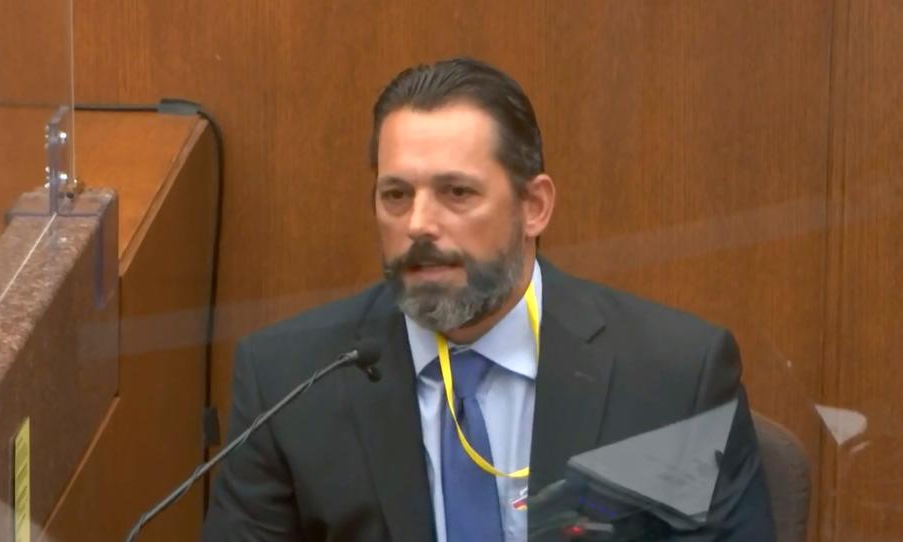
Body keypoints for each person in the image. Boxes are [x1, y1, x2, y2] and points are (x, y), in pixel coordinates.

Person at [202, 58, 774, 542]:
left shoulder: (672, 377)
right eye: (396, 195)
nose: (419, 224)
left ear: (534, 207)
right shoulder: (291, 382)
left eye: (457, 193)